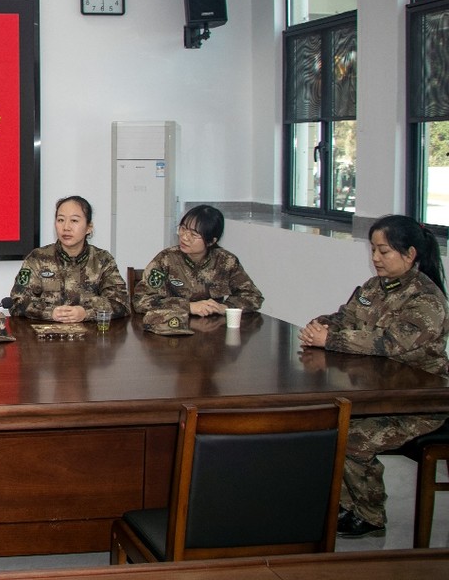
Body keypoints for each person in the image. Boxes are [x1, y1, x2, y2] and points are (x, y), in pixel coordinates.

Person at [299, 215, 449, 538]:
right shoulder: (374, 288)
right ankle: (347, 504)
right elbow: (344, 317)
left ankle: (369, 514)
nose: (376, 259)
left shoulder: (426, 300)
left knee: (350, 435)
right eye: (373, 251)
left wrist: (332, 339)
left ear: (409, 255)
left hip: (418, 403)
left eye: (384, 251)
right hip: (379, 391)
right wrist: (320, 326)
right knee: (329, 422)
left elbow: (390, 343)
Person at [133, 204, 263, 335]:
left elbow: (253, 296)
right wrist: (188, 307)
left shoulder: (226, 261)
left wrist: (225, 308)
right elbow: (141, 300)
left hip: (213, 335)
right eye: (183, 229)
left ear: (211, 241)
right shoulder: (166, 259)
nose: (184, 237)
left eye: (194, 235)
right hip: (173, 329)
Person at [9, 195, 128, 322]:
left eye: (74, 221)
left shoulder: (102, 260)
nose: (66, 227)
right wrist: (50, 312)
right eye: (60, 220)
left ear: (89, 227)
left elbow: (120, 302)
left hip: (91, 338)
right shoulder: (38, 258)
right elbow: (17, 302)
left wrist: (86, 312)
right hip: (47, 336)